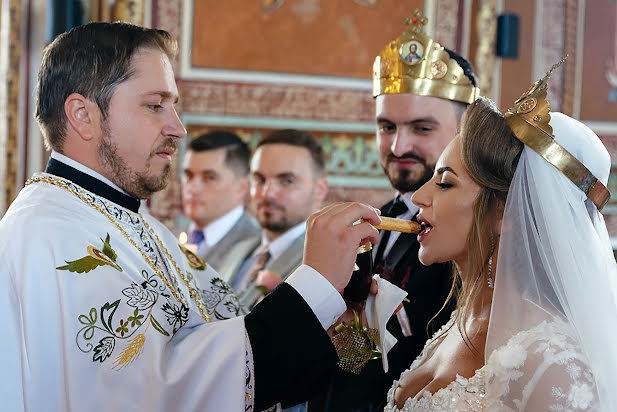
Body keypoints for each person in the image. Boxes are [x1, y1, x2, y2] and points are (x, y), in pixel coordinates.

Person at [0, 22, 383, 411]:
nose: (177, 127)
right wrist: (314, 283)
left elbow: (235, 354)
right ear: (83, 115)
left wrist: (347, 323)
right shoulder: (53, 236)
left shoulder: (132, 223)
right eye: (155, 105)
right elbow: (163, 392)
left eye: (174, 106)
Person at [384, 63, 617, 411]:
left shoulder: (554, 363)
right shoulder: (456, 323)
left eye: (445, 183)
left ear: (504, 212)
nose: (418, 197)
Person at [310, 11, 480, 411]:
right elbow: (367, 364)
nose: (398, 146)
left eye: (421, 129)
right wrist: (344, 331)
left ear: (464, 130)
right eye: (386, 127)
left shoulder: (473, 233)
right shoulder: (376, 219)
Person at [221, 129, 329, 313]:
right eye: (259, 179)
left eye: (287, 181)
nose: (267, 193)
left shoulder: (325, 263)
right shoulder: (236, 250)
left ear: (319, 189)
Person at [181, 130, 260, 272]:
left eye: (209, 177)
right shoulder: (170, 236)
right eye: (189, 175)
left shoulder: (255, 250)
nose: (192, 189)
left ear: (241, 187)